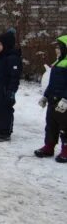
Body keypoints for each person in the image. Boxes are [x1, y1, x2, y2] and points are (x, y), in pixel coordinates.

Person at [34, 34, 67, 163]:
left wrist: (65, 99)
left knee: (65, 126)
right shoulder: (58, 62)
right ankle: (49, 146)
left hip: (63, 102)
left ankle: (65, 150)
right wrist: (45, 96)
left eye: (59, 47)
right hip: (53, 100)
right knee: (51, 125)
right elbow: (52, 83)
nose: (56, 49)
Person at [0, 29, 22, 142]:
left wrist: (11, 91)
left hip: (5, 89)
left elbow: (14, 77)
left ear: (6, 45)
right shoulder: (1, 56)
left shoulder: (13, 58)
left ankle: (5, 131)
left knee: (5, 109)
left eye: (0, 44)